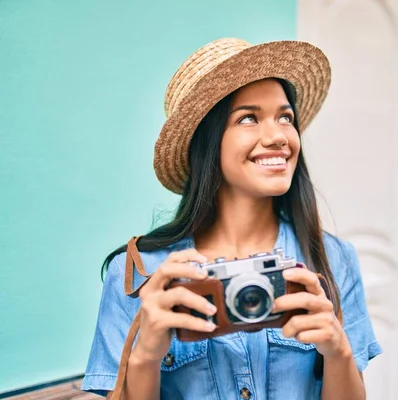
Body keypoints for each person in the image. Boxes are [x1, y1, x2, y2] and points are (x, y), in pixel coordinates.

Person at [82, 38, 381, 400]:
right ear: (207, 142)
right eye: (249, 118)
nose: (278, 137)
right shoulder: (140, 274)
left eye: (285, 117)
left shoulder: (333, 260)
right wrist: (145, 355)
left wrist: (338, 350)